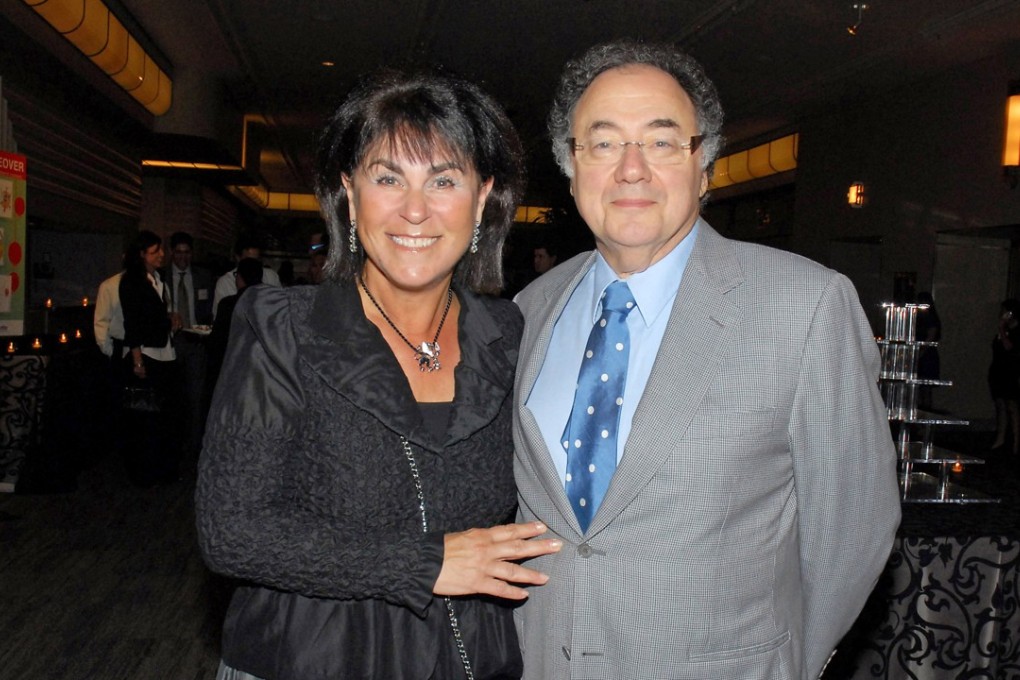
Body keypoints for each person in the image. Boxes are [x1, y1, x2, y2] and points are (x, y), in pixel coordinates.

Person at [512, 40, 901, 680]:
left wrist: (787, 666)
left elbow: (851, 534)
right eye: (603, 143)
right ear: (572, 167)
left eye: (662, 142)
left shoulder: (804, 305)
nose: (631, 168)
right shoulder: (529, 309)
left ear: (705, 165)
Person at [196, 71, 561, 680]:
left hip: (466, 658)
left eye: (443, 180)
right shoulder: (283, 328)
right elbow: (232, 531)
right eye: (387, 177)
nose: (414, 209)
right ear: (348, 192)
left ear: (483, 197)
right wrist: (424, 563)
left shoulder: (510, 332)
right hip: (311, 658)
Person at [119, 230, 184, 486]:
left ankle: (162, 470)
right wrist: (137, 361)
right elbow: (132, 323)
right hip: (146, 355)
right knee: (145, 419)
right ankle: (144, 473)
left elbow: (154, 317)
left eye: (161, 250)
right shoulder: (132, 282)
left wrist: (170, 317)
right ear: (142, 254)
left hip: (164, 353)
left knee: (164, 418)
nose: (161, 255)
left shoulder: (158, 280)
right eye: (155, 251)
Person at [166, 231, 215, 458]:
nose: (183, 257)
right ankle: (173, 442)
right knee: (174, 395)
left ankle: (195, 448)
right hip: (171, 342)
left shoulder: (204, 276)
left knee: (196, 397)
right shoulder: (161, 277)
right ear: (171, 253)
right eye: (179, 252)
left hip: (196, 342)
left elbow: (209, 309)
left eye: (187, 253)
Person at [205, 257, 263, 386]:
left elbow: (218, 341)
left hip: (231, 366)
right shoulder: (268, 304)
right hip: (259, 368)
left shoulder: (228, 304)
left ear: (240, 277)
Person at [211, 234, 281, 317]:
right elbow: (219, 318)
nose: (252, 265)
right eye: (248, 261)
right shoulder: (225, 282)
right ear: (238, 257)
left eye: (256, 260)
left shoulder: (271, 277)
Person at [989, 298, 1020, 454]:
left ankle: (1016, 442)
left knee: (1012, 407)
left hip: (1010, 371)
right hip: (998, 370)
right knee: (1000, 405)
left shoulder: (1016, 331)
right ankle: (1000, 438)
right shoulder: (1005, 330)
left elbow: (1009, 348)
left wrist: (1002, 329)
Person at [914, 291, 942, 410]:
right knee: (920, 389)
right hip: (923, 355)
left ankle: (924, 420)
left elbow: (930, 339)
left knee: (925, 389)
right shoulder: (920, 318)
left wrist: (919, 354)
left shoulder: (930, 319)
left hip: (927, 357)